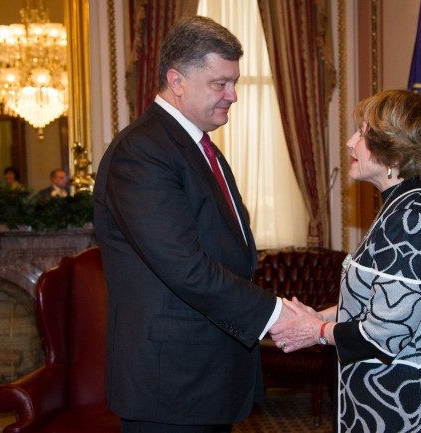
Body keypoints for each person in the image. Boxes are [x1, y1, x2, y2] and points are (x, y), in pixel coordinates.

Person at [93, 16, 297, 433]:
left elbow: (226, 251)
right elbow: (185, 267)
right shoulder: (142, 152)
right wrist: (276, 315)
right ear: (177, 80)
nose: (234, 96)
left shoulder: (199, 146)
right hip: (170, 384)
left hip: (207, 375)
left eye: (235, 82)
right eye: (219, 84)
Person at [270, 89, 421, 432]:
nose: (351, 142)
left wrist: (317, 331)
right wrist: (323, 314)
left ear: (394, 154)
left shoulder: (416, 217)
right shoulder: (407, 205)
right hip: (395, 400)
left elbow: (386, 333)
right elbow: (384, 300)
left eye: (364, 133)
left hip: (414, 408)